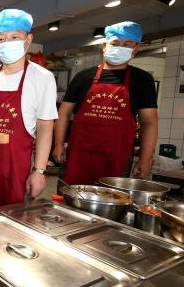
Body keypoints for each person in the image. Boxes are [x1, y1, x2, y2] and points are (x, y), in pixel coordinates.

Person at [0, 9, 57, 210]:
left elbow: (45, 127)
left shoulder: (42, 78)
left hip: (17, 172)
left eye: (14, 37)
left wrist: (39, 171)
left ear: (28, 40)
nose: (7, 43)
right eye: (1, 39)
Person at [54, 21, 158, 184]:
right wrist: (59, 144)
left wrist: (145, 158)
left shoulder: (143, 80)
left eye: (127, 44)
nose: (120, 47)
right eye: (115, 43)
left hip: (117, 158)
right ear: (104, 46)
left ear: (137, 48)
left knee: (112, 203)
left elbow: (149, 122)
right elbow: (63, 113)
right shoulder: (83, 77)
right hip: (78, 155)